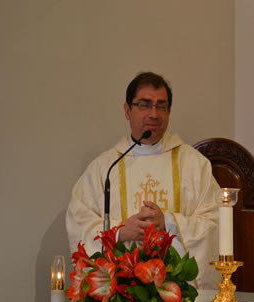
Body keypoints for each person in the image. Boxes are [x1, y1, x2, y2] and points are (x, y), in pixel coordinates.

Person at [66, 72, 221, 289]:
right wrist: (119, 233)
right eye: (145, 105)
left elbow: (215, 224)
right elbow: (78, 223)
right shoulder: (105, 168)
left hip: (180, 296)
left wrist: (167, 223)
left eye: (161, 106)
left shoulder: (194, 164)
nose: (154, 114)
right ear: (127, 111)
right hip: (122, 296)